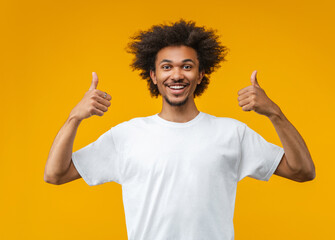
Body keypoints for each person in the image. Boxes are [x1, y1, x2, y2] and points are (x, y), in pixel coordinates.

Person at [44, 19, 315, 240]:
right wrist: (74, 118)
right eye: (166, 67)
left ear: (200, 75)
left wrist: (274, 113)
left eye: (187, 66)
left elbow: (302, 171)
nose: (176, 75)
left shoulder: (232, 133)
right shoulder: (126, 135)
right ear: (153, 76)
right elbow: (55, 174)